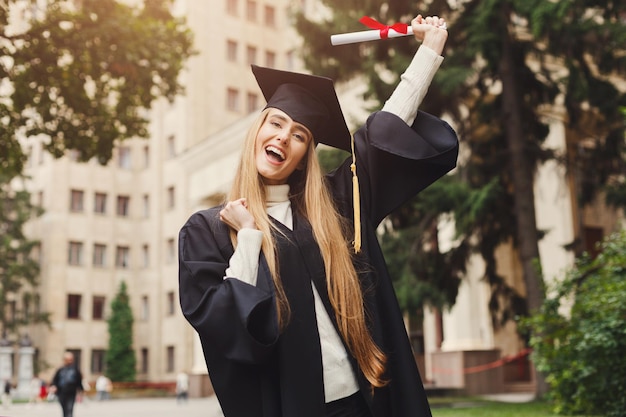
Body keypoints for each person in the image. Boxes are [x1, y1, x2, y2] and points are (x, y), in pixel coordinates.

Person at [178, 13, 457, 417]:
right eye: (276, 123)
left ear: (304, 155)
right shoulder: (209, 230)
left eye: (299, 135)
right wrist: (250, 238)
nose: (283, 137)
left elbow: (381, 138)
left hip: (360, 403)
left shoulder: (332, 206)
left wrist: (429, 51)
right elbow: (224, 325)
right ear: (257, 131)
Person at [49, 351, 83, 417]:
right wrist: (53, 386)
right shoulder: (60, 370)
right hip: (61, 392)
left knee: (69, 409)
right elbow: (54, 380)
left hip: (71, 393)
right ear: (64, 360)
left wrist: (80, 391)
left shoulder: (75, 370)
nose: (70, 361)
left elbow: (79, 381)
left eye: (71, 360)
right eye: (68, 360)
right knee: (64, 409)